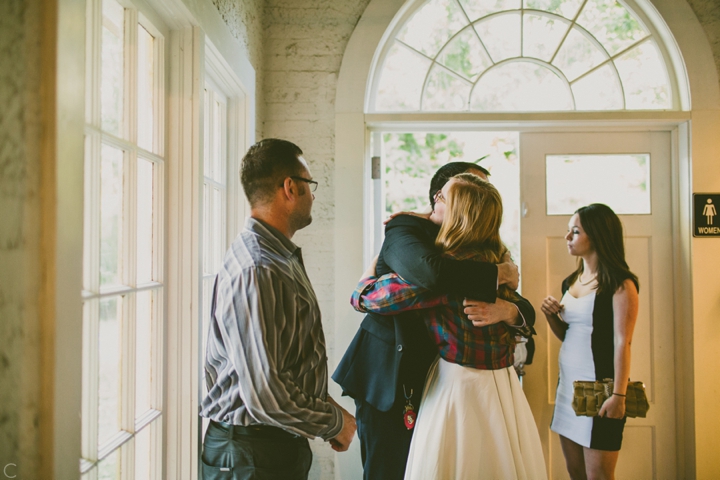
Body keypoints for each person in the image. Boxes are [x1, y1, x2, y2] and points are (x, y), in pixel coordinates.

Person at [333, 162, 536, 479]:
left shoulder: (486, 252)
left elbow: (392, 294)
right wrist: (499, 275)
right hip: (390, 375)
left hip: (450, 381)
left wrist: (510, 311)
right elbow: (432, 275)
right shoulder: (407, 229)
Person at [199, 139, 356, 479]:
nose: (313, 195)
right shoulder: (259, 269)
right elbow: (265, 395)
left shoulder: (275, 258)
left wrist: (328, 408)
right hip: (252, 454)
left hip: (267, 446)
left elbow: (281, 365)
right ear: (290, 188)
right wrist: (333, 423)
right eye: (309, 185)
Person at [541, 203, 639, 480]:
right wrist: (551, 317)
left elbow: (623, 342)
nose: (567, 237)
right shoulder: (570, 282)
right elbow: (570, 336)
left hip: (602, 393)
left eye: (575, 231)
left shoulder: (620, 284)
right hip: (568, 392)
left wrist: (618, 396)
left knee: (599, 477)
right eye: (569, 231)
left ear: (596, 236)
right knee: (576, 474)